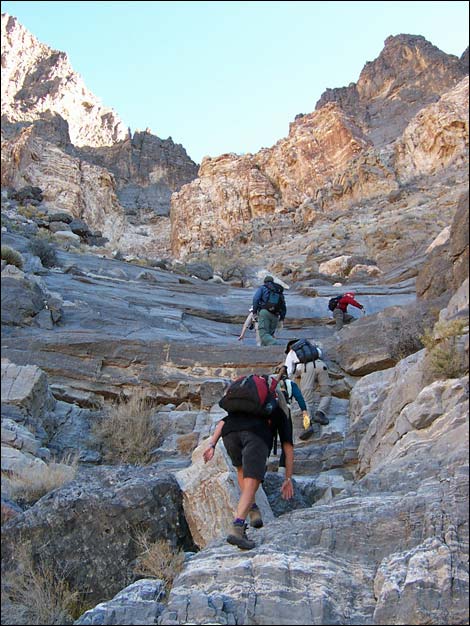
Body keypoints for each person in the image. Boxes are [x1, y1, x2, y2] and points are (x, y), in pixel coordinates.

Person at [202, 373, 294, 550]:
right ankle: (238, 527)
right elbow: (288, 448)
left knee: (241, 470)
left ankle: (252, 508)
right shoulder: (279, 410)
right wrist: (288, 479)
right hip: (255, 435)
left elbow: (223, 421)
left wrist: (212, 444)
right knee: (253, 481)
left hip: (229, 434)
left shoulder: (248, 404)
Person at [283, 338, 332, 440]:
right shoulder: (311, 346)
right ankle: (320, 413)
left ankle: (308, 425)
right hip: (321, 365)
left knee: (306, 399)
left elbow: (289, 371)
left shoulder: (292, 352)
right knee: (327, 394)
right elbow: (320, 353)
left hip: (306, 369)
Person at [275, 370, 310, 468]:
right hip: (286, 412)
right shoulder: (291, 384)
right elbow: (299, 398)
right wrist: (304, 411)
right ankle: (282, 468)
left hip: (272, 412)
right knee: (286, 440)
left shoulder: (272, 382)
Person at [252, 275, 286, 346]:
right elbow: (283, 306)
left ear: (264, 282)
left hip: (265, 313)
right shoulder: (278, 290)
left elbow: (255, 299)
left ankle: (277, 345)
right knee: (269, 336)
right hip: (276, 315)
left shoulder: (263, 288)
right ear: (272, 282)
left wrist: (255, 312)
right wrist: (281, 319)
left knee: (263, 334)